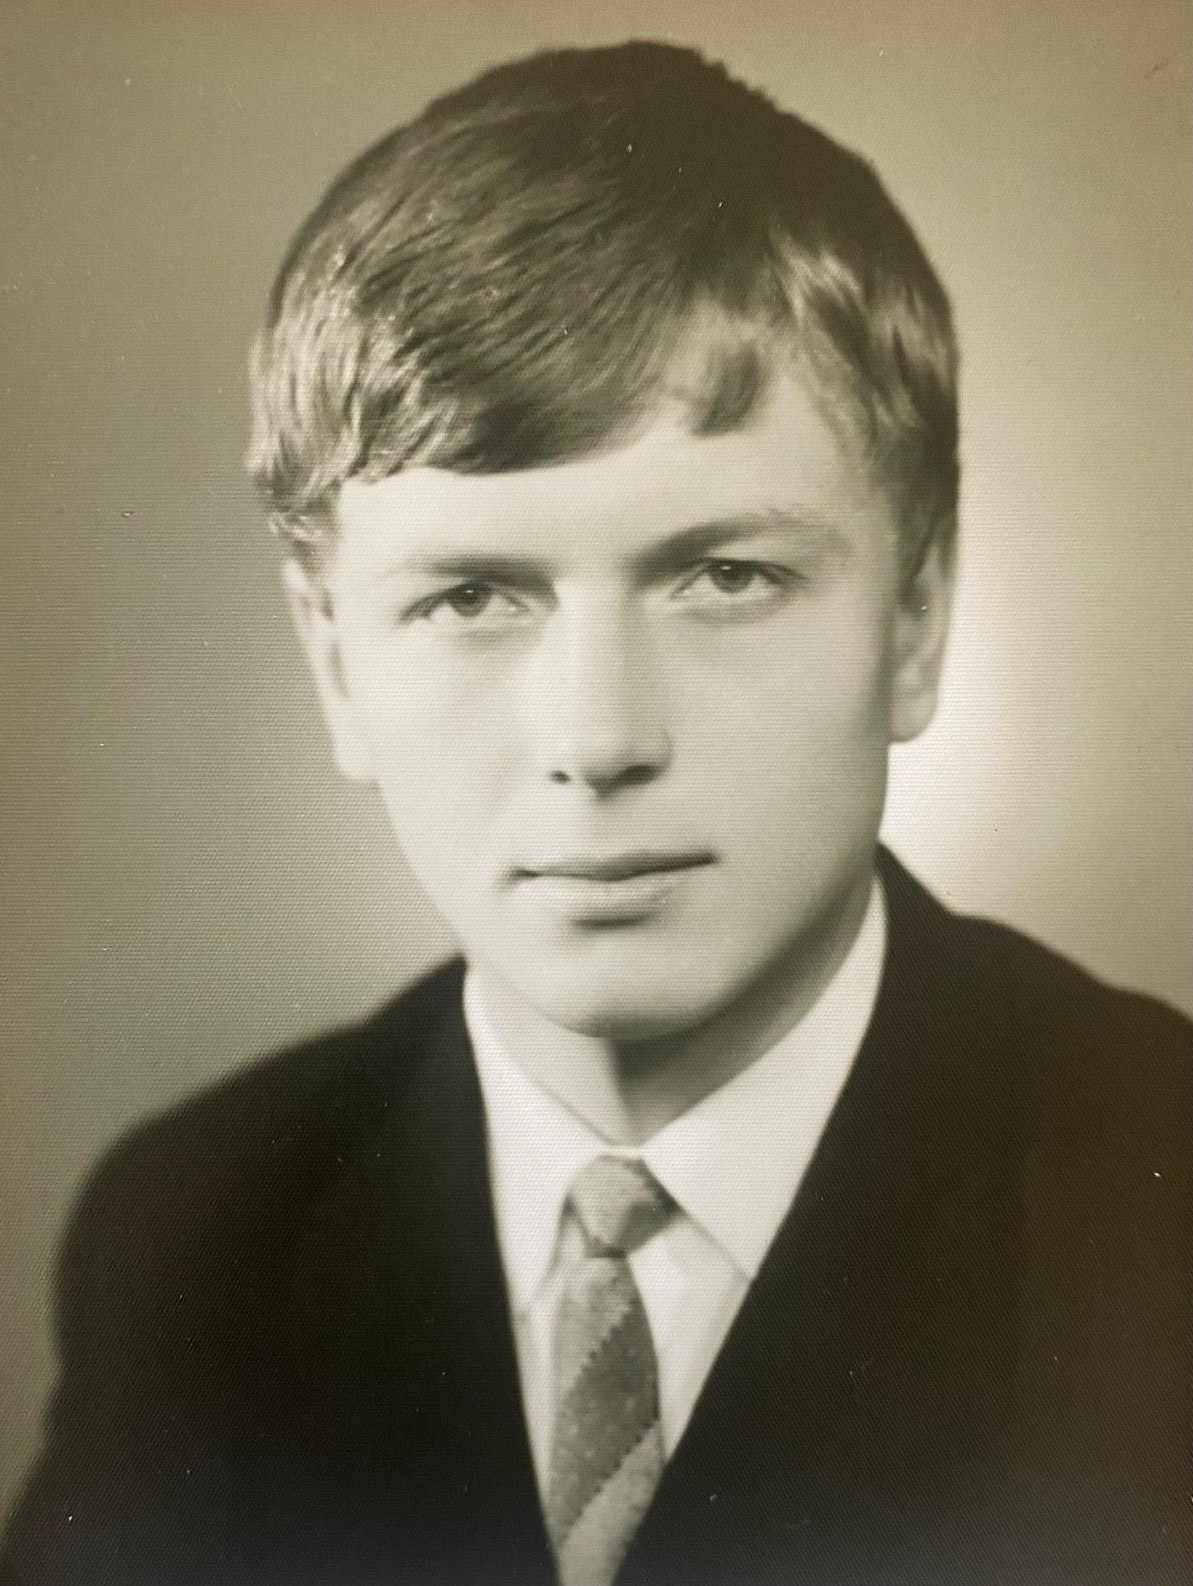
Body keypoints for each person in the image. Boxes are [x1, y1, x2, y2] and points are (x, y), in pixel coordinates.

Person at [1, 40, 1188, 1586]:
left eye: (725, 576)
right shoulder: (196, 1239)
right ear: (335, 660)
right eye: (471, 596)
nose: (599, 738)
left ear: (914, 616)